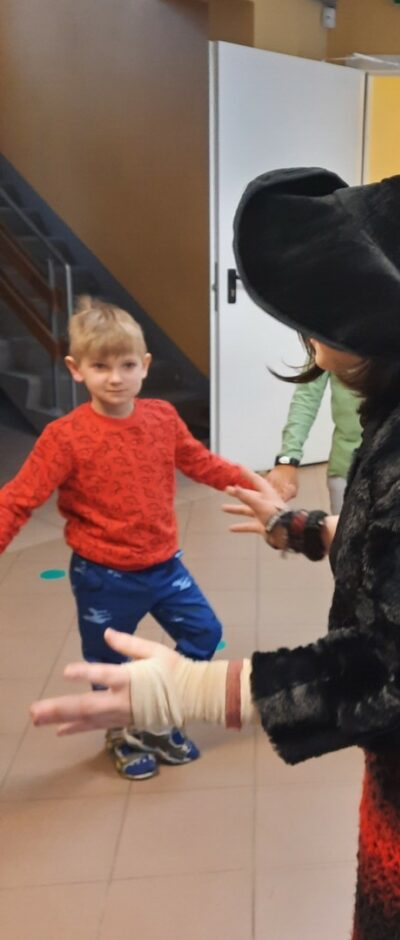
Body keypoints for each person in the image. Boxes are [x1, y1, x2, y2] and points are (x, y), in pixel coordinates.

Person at [30, 169, 400, 940]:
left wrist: (193, 689)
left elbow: (395, 665)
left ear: (380, 320)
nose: (310, 331)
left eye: (325, 308)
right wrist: (310, 529)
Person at [1, 297, 252, 780]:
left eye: (127, 365)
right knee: (108, 661)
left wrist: (250, 481)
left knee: (204, 633)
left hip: (164, 566)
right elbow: (16, 501)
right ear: (76, 369)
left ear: (145, 365)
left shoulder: (162, 418)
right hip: (103, 577)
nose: (115, 378)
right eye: (100, 366)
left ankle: (157, 713)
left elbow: (200, 463)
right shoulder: (64, 437)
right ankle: (119, 730)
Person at [267, 368, 361, 512]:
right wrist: (288, 459)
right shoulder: (329, 353)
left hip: (395, 465)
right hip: (347, 467)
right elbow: (307, 396)